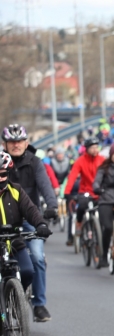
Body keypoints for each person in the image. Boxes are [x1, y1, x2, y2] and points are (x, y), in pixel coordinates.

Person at [3, 124, 58, 322]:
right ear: (5, 144)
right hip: (6, 218)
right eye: (12, 142)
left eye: (19, 141)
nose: (16, 145)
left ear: (26, 143)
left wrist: (52, 206)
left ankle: (39, 304)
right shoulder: (2, 163)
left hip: (30, 217)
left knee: (37, 257)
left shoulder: (35, 162)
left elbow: (45, 185)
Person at [0, 152, 51, 299]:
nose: (0, 178)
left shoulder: (16, 190)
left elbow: (30, 210)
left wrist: (41, 224)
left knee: (27, 272)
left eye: (3, 174)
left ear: (8, 174)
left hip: (15, 242)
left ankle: (16, 301)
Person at [64, 136, 106, 246]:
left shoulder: (102, 160)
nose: (95, 150)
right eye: (92, 148)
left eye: (96, 147)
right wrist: (67, 192)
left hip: (99, 191)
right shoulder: (80, 161)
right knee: (82, 206)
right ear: (86, 149)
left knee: (105, 211)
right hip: (85, 191)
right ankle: (79, 223)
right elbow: (72, 176)